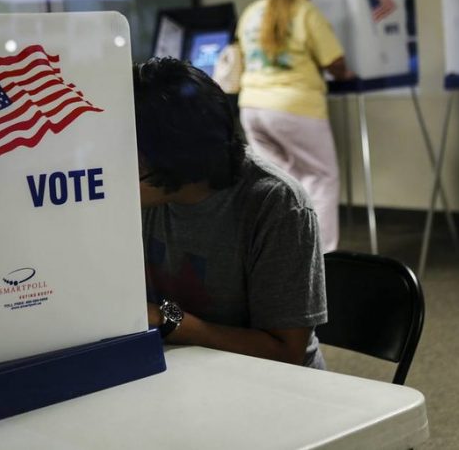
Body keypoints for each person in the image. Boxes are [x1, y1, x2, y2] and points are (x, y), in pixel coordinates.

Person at [134, 57, 327, 368]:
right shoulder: (148, 195)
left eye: (132, 156)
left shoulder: (275, 203)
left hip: (274, 387)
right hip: (188, 371)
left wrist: (166, 320)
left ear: (172, 156)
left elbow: (286, 352)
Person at [236, 0, 354, 253]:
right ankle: (323, 259)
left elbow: (241, 55)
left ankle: (279, 253)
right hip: (294, 107)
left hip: (252, 107)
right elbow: (334, 61)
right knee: (321, 177)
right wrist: (345, 74)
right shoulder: (305, 10)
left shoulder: (253, 10)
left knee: (277, 184)